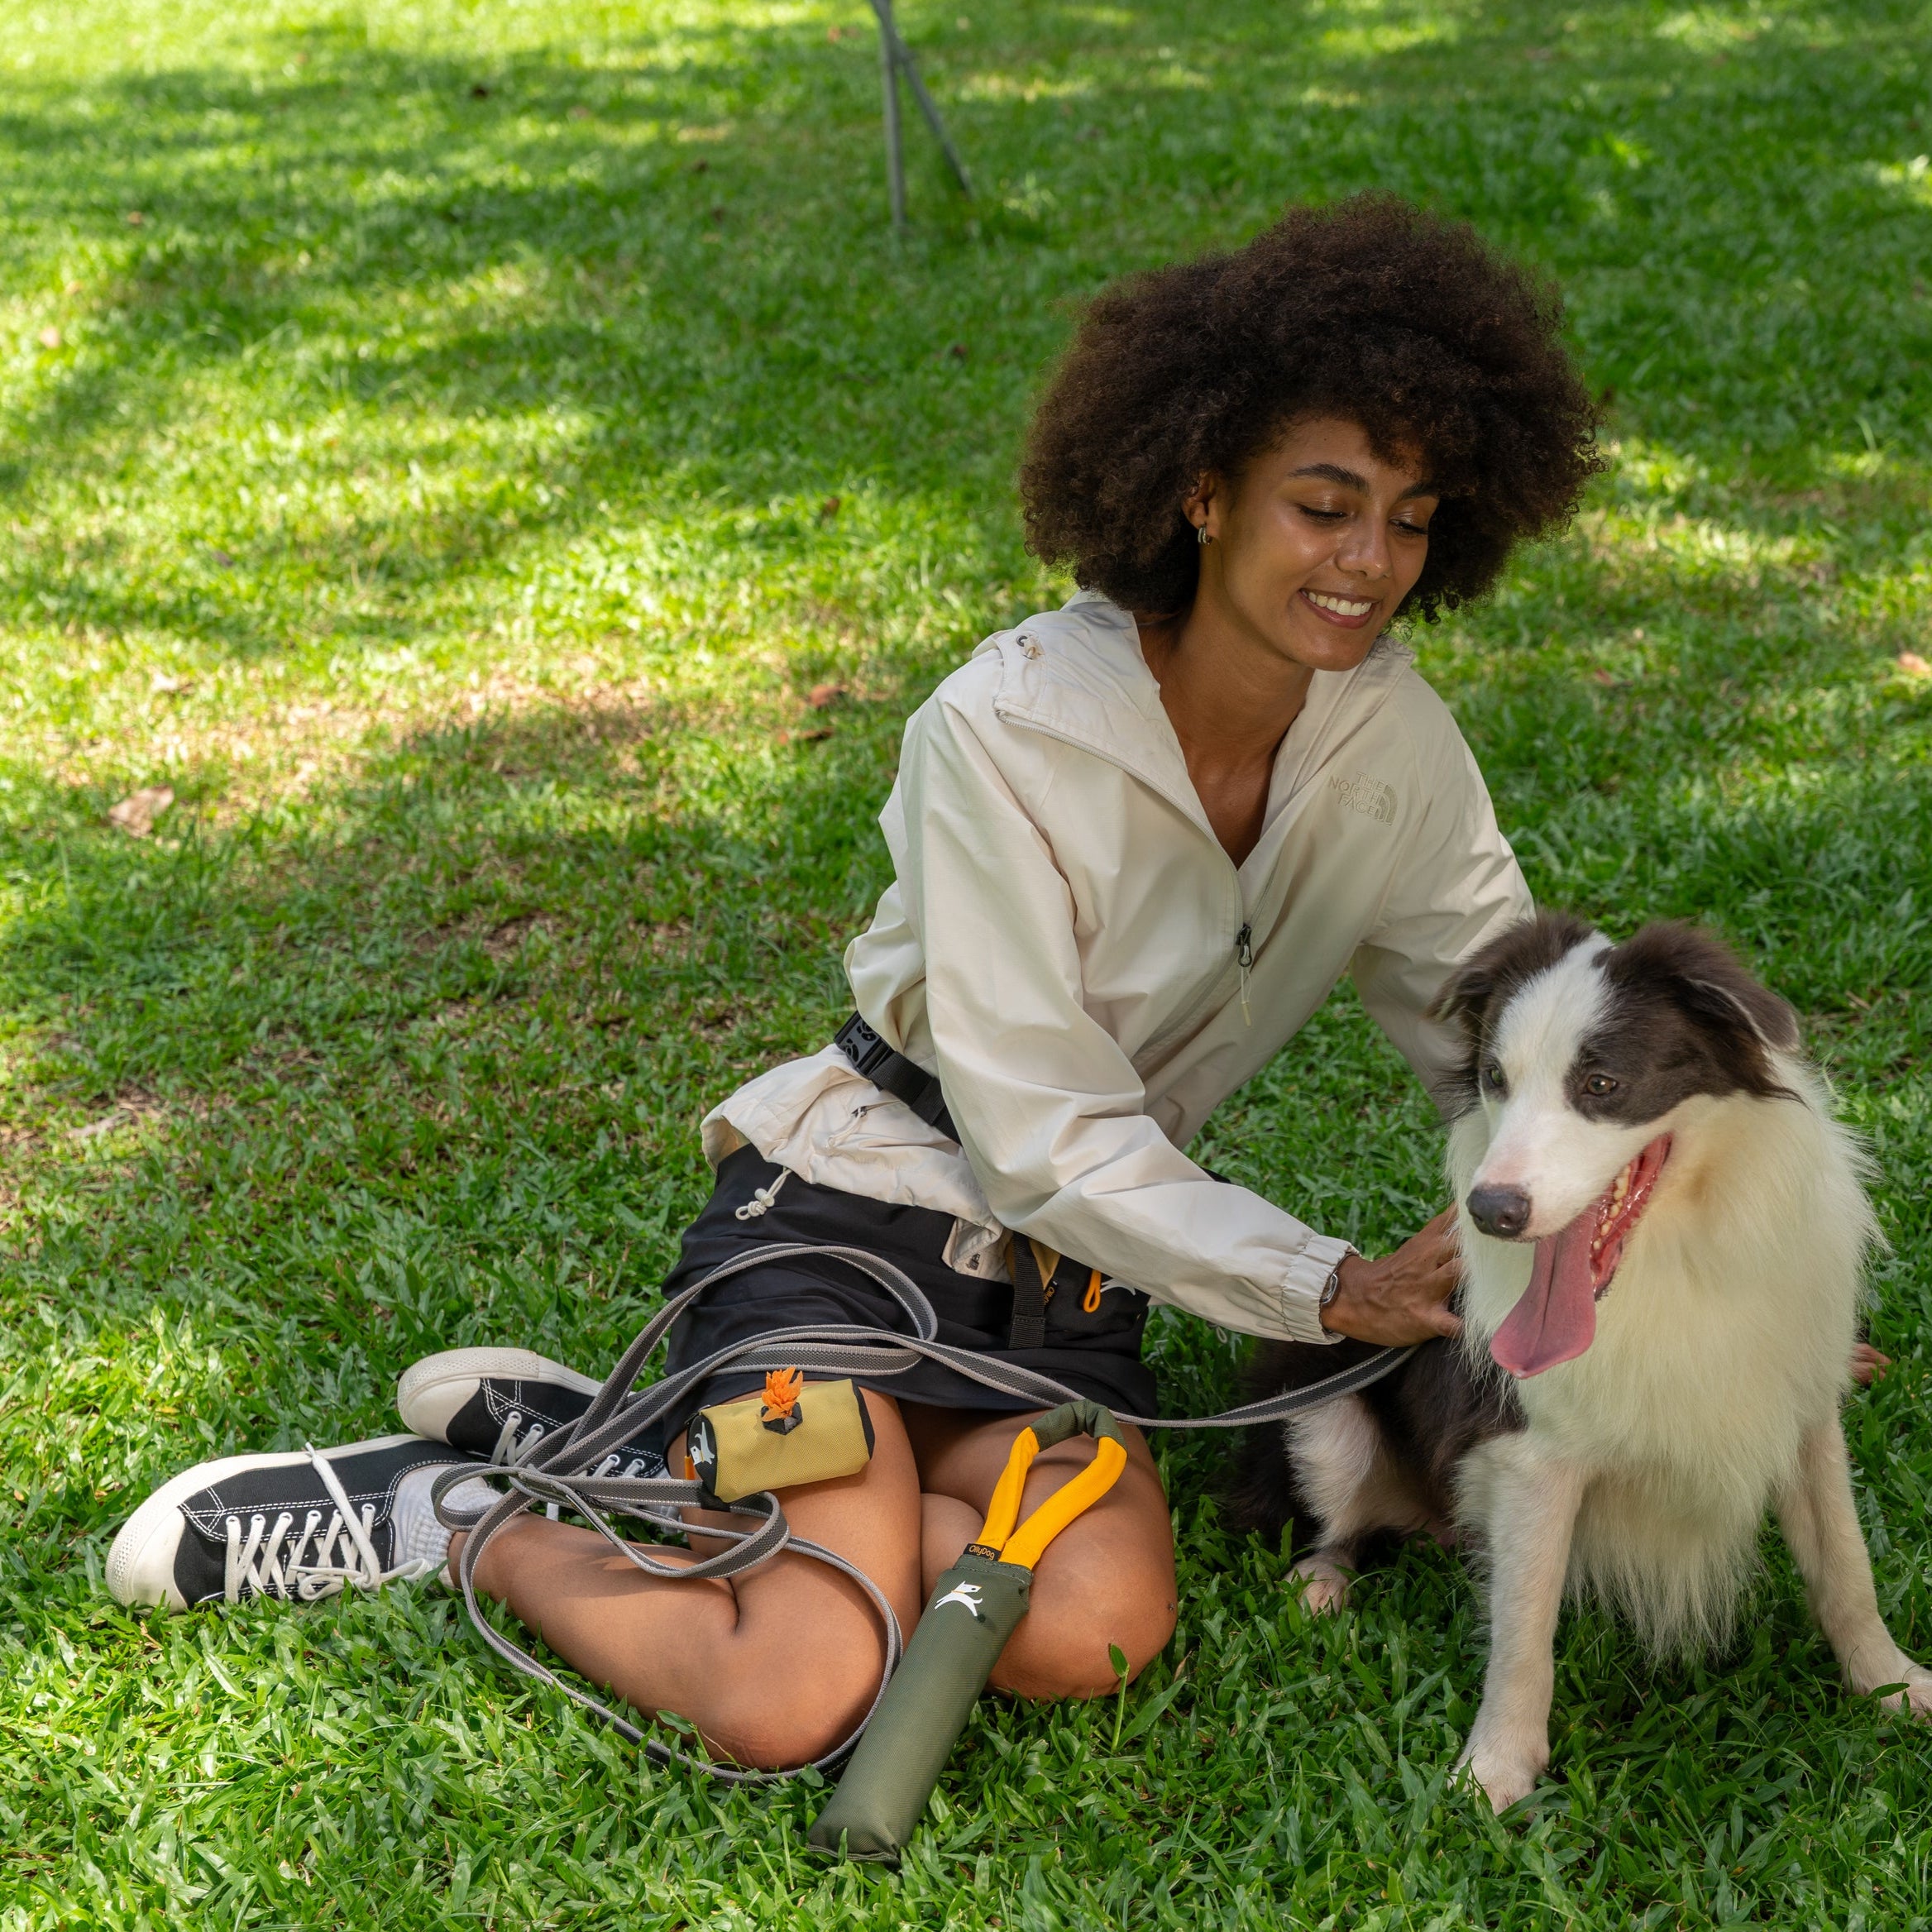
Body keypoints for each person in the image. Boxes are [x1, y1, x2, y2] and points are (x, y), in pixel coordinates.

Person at [108, 194, 1604, 1772]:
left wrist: (1660, 1239)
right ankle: (467, 1515)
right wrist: (1323, 1285)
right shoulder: (1009, 726)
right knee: (800, 1685)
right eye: (1324, 503)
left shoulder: (1393, 741)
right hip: (843, 1240)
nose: (1370, 561)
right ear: (1202, 490)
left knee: (1087, 1632)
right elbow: (1041, 1136)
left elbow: (1508, 1022)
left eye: (1413, 515)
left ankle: (669, 1460)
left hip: (1063, 1298)